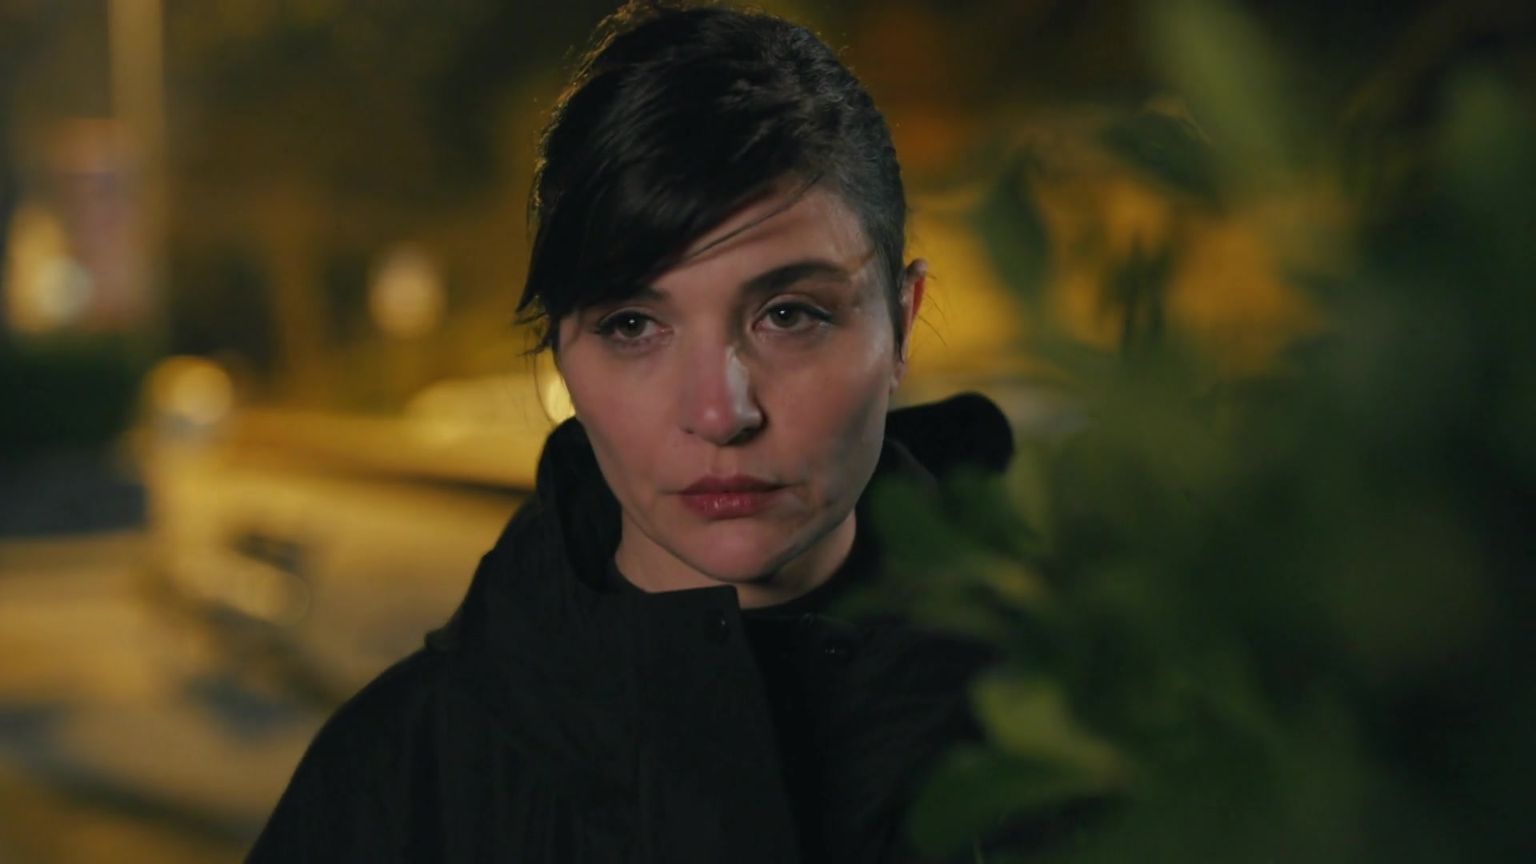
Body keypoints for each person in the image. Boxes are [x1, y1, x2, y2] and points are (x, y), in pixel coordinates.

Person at [249, 2, 1017, 861]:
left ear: (902, 323)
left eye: (789, 314)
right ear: (561, 352)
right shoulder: (400, 779)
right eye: (632, 326)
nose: (721, 413)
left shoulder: (1079, 746)